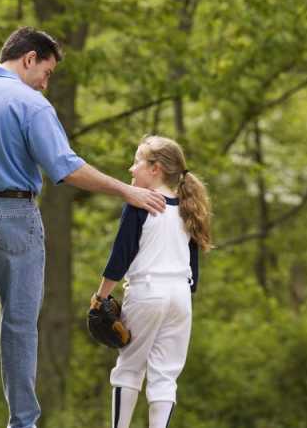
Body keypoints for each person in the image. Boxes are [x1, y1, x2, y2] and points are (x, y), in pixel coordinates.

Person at [0, 26, 167, 428]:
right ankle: (22, 423)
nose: (46, 84)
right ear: (29, 58)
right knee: (17, 326)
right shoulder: (29, 104)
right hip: (14, 217)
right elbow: (65, 168)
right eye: (47, 73)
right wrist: (127, 191)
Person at [93, 135, 212, 428]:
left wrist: (100, 298)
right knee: (165, 375)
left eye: (137, 162)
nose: (131, 169)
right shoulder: (186, 206)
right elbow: (192, 263)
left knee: (129, 369)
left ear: (155, 168)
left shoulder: (139, 204)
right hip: (181, 296)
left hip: (148, 290)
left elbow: (120, 257)